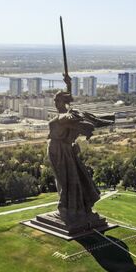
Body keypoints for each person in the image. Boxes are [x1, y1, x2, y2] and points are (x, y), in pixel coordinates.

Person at [47, 87, 114, 222]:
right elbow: (65, 118)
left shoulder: (67, 116)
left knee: (78, 178)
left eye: (57, 100)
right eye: (55, 100)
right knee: (64, 182)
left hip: (65, 150)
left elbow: (68, 118)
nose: (55, 102)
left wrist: (72, 115)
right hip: (57, 151)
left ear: (63, 101)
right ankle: (67, 208)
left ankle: (79, 208)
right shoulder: (62, 117)